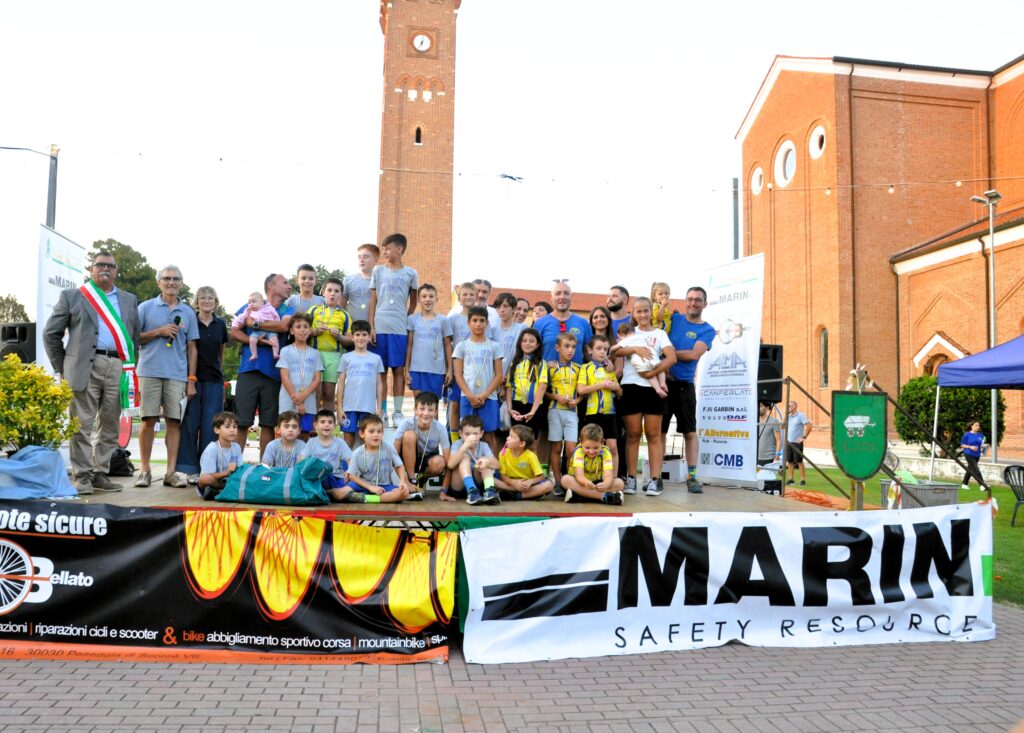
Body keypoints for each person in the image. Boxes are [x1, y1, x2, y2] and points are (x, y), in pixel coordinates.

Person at [43, 250, 140, 494]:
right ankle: (82, 476)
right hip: (84, 365)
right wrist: (62, 366)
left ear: (116, 271)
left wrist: (130, 366)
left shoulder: (129, 299)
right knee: (82, 423)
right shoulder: (73, 296)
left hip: (118, 366)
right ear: (91, 269)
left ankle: (100, 474)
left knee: (110, 425)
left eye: (110, 265)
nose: (105, 268)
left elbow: (134, 336)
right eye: (100, 265)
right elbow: (50, 333)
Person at [135, 265, 200, 488]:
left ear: (181, 283)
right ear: (159, 282)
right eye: (167, 278)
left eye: (176, 279)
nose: (171, 282)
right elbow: (133, 338)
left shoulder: (188, 312)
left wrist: (191, 379)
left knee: (174, 422)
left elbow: (192, 348)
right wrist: (158, 332)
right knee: (148, 421)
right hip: (149, 371)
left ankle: (170, 473)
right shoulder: (145, 307)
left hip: (177, 375)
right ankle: (145, 471)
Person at [610, 297, 676, 496]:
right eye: (638, 311)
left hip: (652, 389)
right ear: (633, 314)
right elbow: (616, 351)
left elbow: (671, 358)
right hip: (630, 387)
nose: (643, 314)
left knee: (654, 434)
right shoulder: (629, 332)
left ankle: (655, 479)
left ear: (651, 311)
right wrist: (635, 349)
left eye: (646, 310)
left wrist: (652, 373)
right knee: (633, 434)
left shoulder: (660, 334)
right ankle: (631, 478)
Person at [231, 273, 295, 455]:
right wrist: (256, 342)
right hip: (248, 369)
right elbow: (234, 331)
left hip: (274, 374)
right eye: (285, 283)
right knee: (242, 422)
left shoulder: (288, 309)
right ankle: (235, 466)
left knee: (268, 423)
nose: (289, 286)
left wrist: (255, 324)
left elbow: (283, 327)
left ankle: (264, 466)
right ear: (271, 286)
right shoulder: (251, 304)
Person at [662, 286, 715, 492]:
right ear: (685, 301)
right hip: (663, 384)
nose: (693, 303)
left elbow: (694, 354)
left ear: (705, 304)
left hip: (684, 386)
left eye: (698, 300)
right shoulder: (674, 319)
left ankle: (692, 476)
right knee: (658, 432)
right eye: (690, 299)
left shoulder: (707, 330)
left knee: (690, 432)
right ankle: (656, 475)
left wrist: (668, 354)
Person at [176, 286, 229, 484]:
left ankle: (206, 468)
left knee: (210, 426)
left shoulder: (220, 324)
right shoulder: (190, 321)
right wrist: (190, 380)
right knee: (190, 425)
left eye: (210, 298)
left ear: (216, 301)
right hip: (193, 380)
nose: (207, 301)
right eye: (203, 298)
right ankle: (190, 470)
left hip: (214, 381)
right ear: (196, 301)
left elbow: (221, 353)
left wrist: (219, 376)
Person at [368, 232, 419, 427]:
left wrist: (406, 318)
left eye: (388, 249)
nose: (385, 252)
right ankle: (382, 411)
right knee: (381, 371)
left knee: (398, 369)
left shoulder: (411, 273)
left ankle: (398, 412)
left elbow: (413, 301)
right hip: (380, 327)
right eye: (384, 249)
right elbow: (373, 300)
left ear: (400, 249)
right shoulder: (378, 271)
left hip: (399, 329)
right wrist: (371, 326)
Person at [453, 306, 504, 455]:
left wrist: (484, 395)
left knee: (488, 435)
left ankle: (491, 467)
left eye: (482, 320)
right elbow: (458, 374)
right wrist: (470, 395)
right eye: (474, 320)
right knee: (468, 435)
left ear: (487, 323)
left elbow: (499, 375)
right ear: (468, 323)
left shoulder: (494, 346)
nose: (478, 324)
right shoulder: (461, 346)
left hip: (489, 398)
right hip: (467, 397)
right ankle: (467, 465)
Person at [577, 335, 622, 474]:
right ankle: (592, 476)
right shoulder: (585, 368)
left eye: (605, 349)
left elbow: (620, 392)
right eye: (599, 348)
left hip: (610, 413)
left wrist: (616, 387)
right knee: (591, 447)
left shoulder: (609, 369)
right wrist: (601, 385)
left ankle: (613, 480)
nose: (602, 352)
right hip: (592, 414)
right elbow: (581, 390)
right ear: (590, 350)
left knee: (612, 448)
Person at [344, 414, 412, 502]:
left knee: (404, 493)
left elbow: (399, 465)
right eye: (371, 431)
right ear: (362, 433)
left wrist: (403, 481)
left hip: (384, 486)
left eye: (379, 431)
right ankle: (329, 492)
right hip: (364, 485)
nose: (376, 435)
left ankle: (365, 498)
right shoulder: (357, 453)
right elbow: (352, 475)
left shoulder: (388, 447)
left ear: (382, 433)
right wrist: (370, 487)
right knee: (340, 492)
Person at [308, 277, 352, 412]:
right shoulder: (313, 310)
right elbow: (301, 331)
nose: (332, 293)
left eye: (336, 291)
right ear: (323, 292)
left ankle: (328, 422)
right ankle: (313, 423)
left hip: (334, 356)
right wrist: (316, 332)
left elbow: (351, 339)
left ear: (341, 295)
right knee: (316, 393)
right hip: (315, 354)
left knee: (328, 393)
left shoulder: (344, 315)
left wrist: (338, 336)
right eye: (329, 290)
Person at [276, 313, 323, 438]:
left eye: (306, 326)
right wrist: (297, 401)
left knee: (304, 435)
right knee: (286, 435)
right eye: (298, 327)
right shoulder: (285, 351)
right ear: (292, 331)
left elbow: (317, 379)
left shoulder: (315, 353)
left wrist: (303, 395)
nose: (302, 329)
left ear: (310, 330)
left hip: (308, 402)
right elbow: (284, 377)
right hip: (288, 402)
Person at [394, 391, 451, 492]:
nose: (426, 413)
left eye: (430, 410)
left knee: (440, 462)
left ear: (436, 412)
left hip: (428, 462)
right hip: (407, 460)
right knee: (409, 435)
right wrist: (404, 480)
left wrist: (444, 491)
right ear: (415, 410)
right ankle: (412, 480)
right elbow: (393, 455)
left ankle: (421, 478)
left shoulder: (440, 429)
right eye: (422, 409)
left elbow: (448, 462)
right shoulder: (406, 424)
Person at [547, 332, 582, 490]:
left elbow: (583, 390)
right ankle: (558, 482)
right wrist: (556, 397)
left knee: (571, 449)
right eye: (566, 346)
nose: (570, 350)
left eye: (573, 347)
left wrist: (577, 401)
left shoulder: (579, 368)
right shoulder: (550, 367)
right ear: (557, 347)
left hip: (572, 413)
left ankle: (570, 482)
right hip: (555, 411)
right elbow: (543, 390)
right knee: (556, 447)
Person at [406, 283, 453, 399]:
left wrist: (450, 370)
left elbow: (448, 345)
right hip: (417, 369)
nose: (427, 299)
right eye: (424, 296)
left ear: (436, 299)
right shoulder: (412, 319)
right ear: (418, 299)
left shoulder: (443, 320)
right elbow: (409, 346)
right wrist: (406, 370)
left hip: (437, 370)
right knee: (419, 402)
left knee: (433, 403)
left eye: (431, 296)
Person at [561, 423, 625, 505]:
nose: (591, 451)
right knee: (565, 480)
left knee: (620, 483)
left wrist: (605, 484)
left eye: (596, 448)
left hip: (598, 483)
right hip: (582, 482)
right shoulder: (578, 452)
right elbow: (579, 475)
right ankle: (603, 496)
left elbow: (609, 475)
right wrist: (586, 482)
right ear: (581, 442)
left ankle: (580, 495)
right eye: (587, 448)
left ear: (602, 442)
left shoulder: (606, 453)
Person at [300, 409, 356, 499]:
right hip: (318, 478)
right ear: (315, 425)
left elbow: (351, 460)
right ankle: (332, 493)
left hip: (336, 477)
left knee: (353, 482)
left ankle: (328, 493)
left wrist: (349, 471)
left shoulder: (340, 442)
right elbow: (302, 460)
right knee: (316, 478)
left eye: (330, 422)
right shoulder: (311, 443)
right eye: (322, 422)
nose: (326, 425)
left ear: (334, 426)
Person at [534, 281, 592, 364]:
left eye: (566, 293)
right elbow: (533, 354)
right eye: (558, 293)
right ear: (551, 297)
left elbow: (589, 353)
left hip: (576, 372)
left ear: (571, 297)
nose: (562, 297)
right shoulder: (539, 324)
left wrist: (604, 363)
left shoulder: (583, 323)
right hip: (547, 372)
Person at [505, 328, 548, 438]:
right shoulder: (514, 362)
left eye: (531, 341)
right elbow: (509, 387)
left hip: (533, 406)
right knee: (516, 438)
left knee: (531, 439)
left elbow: (542, 387)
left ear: (537, 345)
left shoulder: (541, 363)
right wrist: (510, 409)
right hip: (516, 406)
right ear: (520, 343)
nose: (527, 344)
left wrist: (533, 411)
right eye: (524, 341)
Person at [446, 415, 498, 505]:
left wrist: (487, 462)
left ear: (481, 434)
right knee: (464, 457)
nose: (471, 437)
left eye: (475, 434)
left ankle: (489, 491)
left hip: (478, 485)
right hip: (459, 486)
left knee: (486, 460)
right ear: (460, 434)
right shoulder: (457, 444)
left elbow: (497, 465)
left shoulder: (483, 446)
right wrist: (464, 446)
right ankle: (471, 491)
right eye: (467, 434)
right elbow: (450, 465)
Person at [494, 425, 554, 500]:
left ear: (522, 444)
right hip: (510, 483)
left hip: (526, 485)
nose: (507, 438)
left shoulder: (531, 456)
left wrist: (530, 481)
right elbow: (503, 476)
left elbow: (541, 476)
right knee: (493, 480)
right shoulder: (503, 453)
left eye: (512, 437)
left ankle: (515, 496)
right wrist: (514, 483)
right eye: (509, 435)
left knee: (549, 485)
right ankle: (526, 494)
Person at [197, 411, 243, 500]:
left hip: (229, 480)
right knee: (205, 479)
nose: (232, 430)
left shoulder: (236, 447)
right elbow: (208, 475)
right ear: (217, 430)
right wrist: (227, 472)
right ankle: (222, 490)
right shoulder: (212, 448)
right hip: (214, 482)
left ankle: (220, 491)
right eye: (227, 427)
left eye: (234, 427)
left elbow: (239, 470)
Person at [233, 292, 281, 360]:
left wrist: (277, 324)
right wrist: (236, 323)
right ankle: (254, 354)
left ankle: (275, 353)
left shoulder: (269, 308)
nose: (251, 304)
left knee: (274, 339)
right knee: (252, 340)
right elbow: (242, 317)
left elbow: (276, 316)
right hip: (257, 331)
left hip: (270, 330)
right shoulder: (249, 311)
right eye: (249, 303)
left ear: (262, 302)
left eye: (254, 302)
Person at [492, 292, 525, 378]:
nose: (502, 310)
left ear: (514, 309)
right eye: (498, 307)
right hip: (493, 378)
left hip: (514, 376)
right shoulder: (492, 330)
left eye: (505, 306)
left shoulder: (522, 328)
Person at [342, 243, 378, 317]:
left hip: (373, 324)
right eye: (359, 257)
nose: (361, 260)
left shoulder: (381, 282)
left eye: (366, 257)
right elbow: (341, 308)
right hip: (352, 324)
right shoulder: (348, 280)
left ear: (375, 260)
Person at [785, 400, 812, 486]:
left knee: (799, 461)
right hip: (789, 442)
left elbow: (809, 425)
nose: (788, 407)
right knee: (790, 461)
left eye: (789, 406)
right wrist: (785, 416)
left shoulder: (800, 415)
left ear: (794, 406)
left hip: (797, 443)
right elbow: (782, 426)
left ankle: (803, 480)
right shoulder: (788, 416)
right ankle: (791, 479)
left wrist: (804, 437)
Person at [960, 420, 987, 490]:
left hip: (977, 455)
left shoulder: (981, 435)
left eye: (979, 425)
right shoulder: (967, 435)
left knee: (970, 469)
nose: (978, 427)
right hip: (968, 453)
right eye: (976, 425)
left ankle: (964, 484)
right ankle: (982, 485)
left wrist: (985, 445)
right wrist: (970, 447)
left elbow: (981, 444)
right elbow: (962, 445)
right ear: (972, 426)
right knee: (976, 469)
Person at [756, 402, 783, 466]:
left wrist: (777, 456)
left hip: (769, 457)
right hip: (755, 457)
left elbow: (779, 440)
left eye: (761, 406)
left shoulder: (774, 421)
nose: (758, 408)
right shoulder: (753, 421)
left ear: (767, 408)